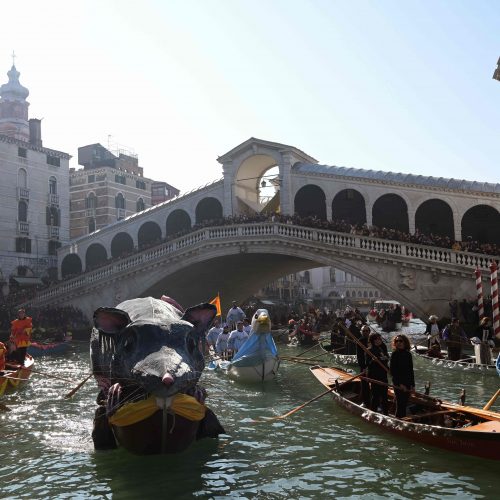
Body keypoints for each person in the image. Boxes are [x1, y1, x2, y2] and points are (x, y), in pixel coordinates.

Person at [389, 334, 415, 418]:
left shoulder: (408, 354)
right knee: (400, 404)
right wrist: (400, 384)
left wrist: (412, 385)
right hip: (398, 383)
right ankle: (399, 420)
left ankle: (402, 419)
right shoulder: (394, 354)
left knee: (404, 403)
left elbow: (410, 371)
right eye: (396, 341)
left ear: (405, 342)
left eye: (400, 341)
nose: (398, 343)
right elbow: (393, 372)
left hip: (407, 382)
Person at [366, 332, 389, 415]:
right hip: (375, 376)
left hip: (383, 374)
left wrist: (383, 358)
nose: (380, 340)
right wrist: (373, 360)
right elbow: (368, 364)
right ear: (374, 340)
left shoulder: (382, 348)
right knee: (375, 396)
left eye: (380, 338)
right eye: (378, 339)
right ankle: (372, 413)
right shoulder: (369, 350)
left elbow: (386, 358)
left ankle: (386, 414)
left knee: (384, 396)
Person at [357, 325, 371, 406]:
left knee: (375, 385)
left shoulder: (373, 340)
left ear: (369, 332)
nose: (365, 332)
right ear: (361, 332)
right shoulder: (359, 341)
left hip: (373, 366)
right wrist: (364, 367)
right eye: (363, 331)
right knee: (365, 385)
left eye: (366, 331)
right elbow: (359, 356)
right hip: (364, 367)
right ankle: (366, 402)